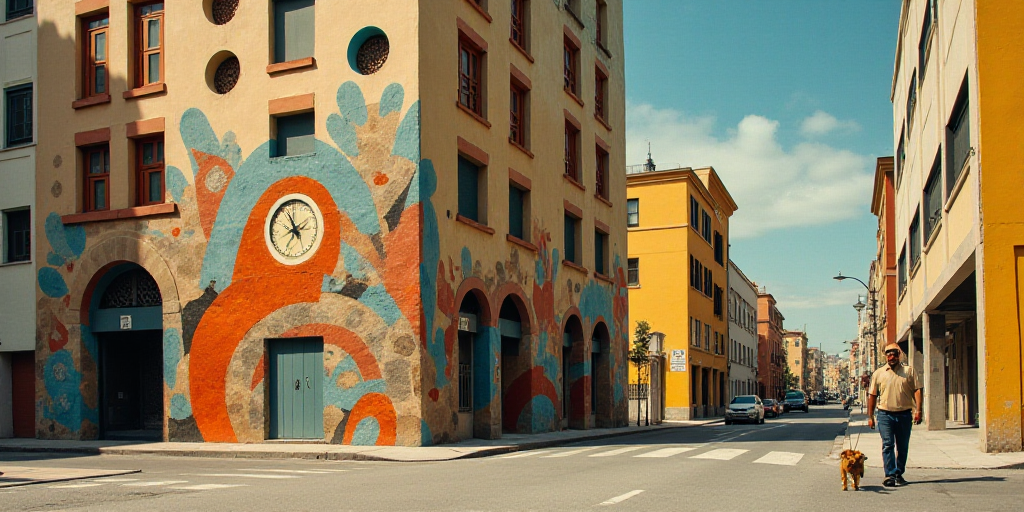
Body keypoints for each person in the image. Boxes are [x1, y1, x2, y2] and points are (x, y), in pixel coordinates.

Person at [867, 343, 923, 488]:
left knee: (903, 446)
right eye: (888, 354)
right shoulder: (879, 373)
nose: (891, 357)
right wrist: (870, 416)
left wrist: (918, 410)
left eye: (894, 354)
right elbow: (872, 395)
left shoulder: (909, 371)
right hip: (885, 415)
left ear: (899, 355)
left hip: (904, 415)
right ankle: (890, 475)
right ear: (886, 356)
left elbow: (917, 390)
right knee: (888, 444)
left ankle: (899, 473)